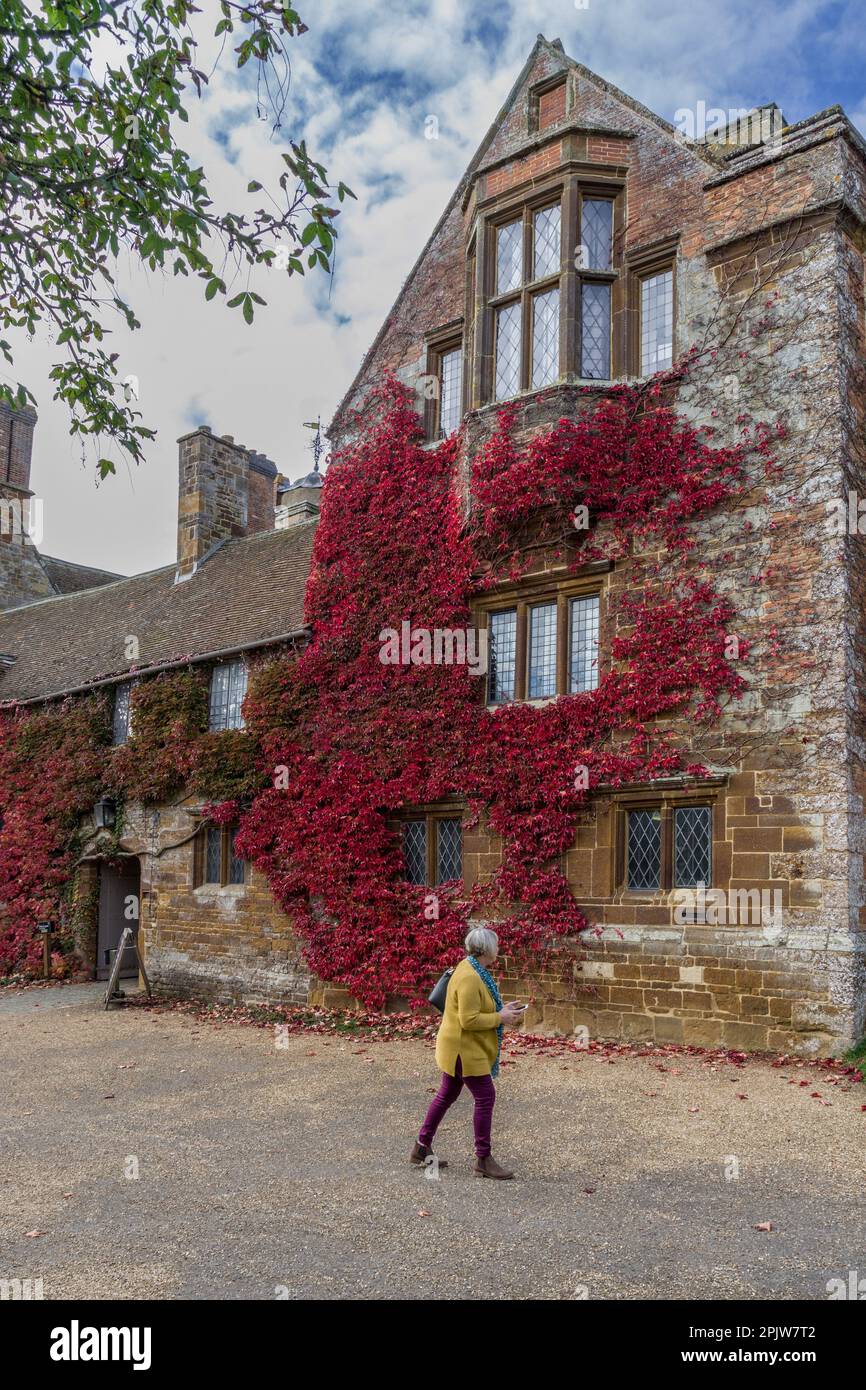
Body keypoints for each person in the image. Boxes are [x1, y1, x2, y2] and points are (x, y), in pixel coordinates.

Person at [411, 926, 524, 1180]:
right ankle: (483, 1159)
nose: (498, 949)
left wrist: (502, 1009)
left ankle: (421, 1146)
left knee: (447, 1094)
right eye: (496, 945)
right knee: (485, 1097)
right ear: (486, 949)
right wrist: (501, 1017)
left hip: (457, 1045)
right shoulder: (471, 976)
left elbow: (474, 1009)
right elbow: (469, 1019)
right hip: (463, 1048)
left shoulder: (471, 968)